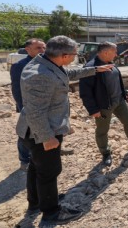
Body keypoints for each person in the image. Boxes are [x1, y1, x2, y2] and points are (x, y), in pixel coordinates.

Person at [16, 35, 114, 225]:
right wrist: (47, 137)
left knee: (37, 168)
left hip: (39, 129)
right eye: (74, 55)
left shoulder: (47, 64)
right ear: (63, 55)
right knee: (49, 171)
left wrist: (94, 69)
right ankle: (51, 212)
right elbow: (36, 111)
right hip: (41, 131)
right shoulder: (40, 74)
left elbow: (66, 75)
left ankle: (36, 202)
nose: (74, 58)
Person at [79, 42, 128, 167]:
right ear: (106, 52)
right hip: (103, 105)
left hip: (119, 101)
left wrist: (125, 94)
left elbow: (117, 81)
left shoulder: (110, 64)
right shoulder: (90, 68)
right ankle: (105, 153)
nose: (116, 54)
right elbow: (85, 92)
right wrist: (93, 109)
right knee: (102, 130)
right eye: (114, 52)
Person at [10, 38, 46, 171]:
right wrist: (23, 107)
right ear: (27, 50)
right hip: (28, 107)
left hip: (45, 105)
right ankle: (24, 159)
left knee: (47, 127)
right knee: (25, 133)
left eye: (44, 48)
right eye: (38, 48)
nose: (42, 51)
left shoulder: (46, 63)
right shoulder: (19, 66)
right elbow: (17, 89)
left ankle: (48, 150)